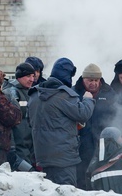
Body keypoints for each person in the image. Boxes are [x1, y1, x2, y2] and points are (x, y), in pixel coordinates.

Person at [29, 58, 95, 187]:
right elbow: (83, 114)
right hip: (63, 157)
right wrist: (88, 100)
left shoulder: (34, 94)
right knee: (66, 189)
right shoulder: (63, 95)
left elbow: (32, 121)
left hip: (42, 156)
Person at [74, 63, 119, 189]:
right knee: (82, 175)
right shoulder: (74, 93)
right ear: (83, 79)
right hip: (82, 143)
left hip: (104, 143)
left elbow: (116, 116)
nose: (93, 83)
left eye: (96, 80)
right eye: (90, 80)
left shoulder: (109, 93)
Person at [3, 62, 37, 171]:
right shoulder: (11, 94)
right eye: (28, 76)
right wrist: (12, 147)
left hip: (31, 147)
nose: (32, 79)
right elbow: (9, 124)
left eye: (33, 76)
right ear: (19, 77)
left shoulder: (31, 93)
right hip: (19, 148)